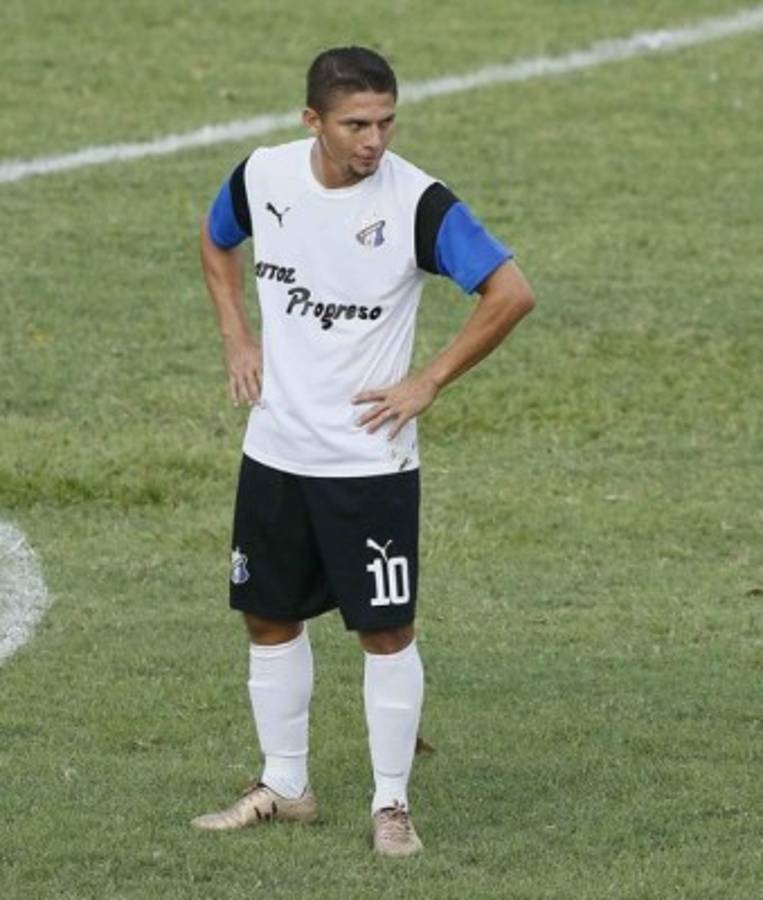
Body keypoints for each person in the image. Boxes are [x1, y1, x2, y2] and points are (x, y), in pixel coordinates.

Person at [192, 46, 535, 857]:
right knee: (267, 615)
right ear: (311, 120)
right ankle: (285, 787)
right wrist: (237, 336)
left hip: (368, 463)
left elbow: (510, 292)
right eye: (355, 124)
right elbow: (215, 239)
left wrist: (428, 381)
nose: (373, 140)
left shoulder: (418, 203)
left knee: (383, 632)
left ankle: (391, 805)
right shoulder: (264, 175)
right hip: (275, 449)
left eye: (385, 122)